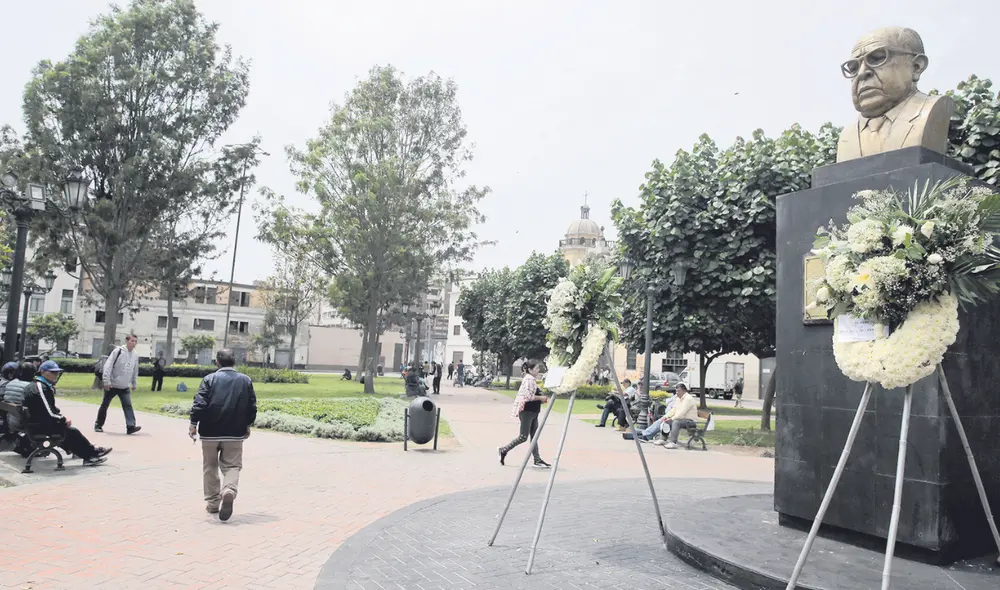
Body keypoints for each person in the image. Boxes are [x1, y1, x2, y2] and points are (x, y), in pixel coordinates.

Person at [836, 27, 953, 163]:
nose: (862, 73)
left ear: (916, 66)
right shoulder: (847, 136)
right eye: (853, 68)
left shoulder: (930, 111)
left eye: (878, 58)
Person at [189, 349, 257, 522]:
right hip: (234, 432)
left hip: (209, 432)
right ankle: (229, 490)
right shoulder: (245, 380)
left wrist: (193, 424)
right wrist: (248, 425)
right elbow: (251, 406)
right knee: (233, 466)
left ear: (217, 363)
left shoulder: (209, 379)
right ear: (234, 362)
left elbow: (199, 403)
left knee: (209, 467)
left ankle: (212, 503)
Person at [22, 360, 112, 466]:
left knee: (69, 431)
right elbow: (48, 412)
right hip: (40, 426)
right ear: (42, 372)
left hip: (36, 423)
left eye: (57, 372)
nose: (56, 375)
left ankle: (85, 450)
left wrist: (60, 417)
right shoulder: (41, 388)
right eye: (52, 372)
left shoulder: (38, 385)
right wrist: (62, 419)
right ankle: (91, 454)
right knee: (72, 431)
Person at [498, 360, 551, 469]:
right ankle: (504, 450)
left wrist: (541, 398)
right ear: (530, 370)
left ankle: (537, 459)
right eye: (536, 369)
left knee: (534, 436)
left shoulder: (532, 379)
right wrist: (541, 398)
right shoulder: (529, 379)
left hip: (533, 411)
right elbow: (528, 396)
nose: (538, 370)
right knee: (523, 437)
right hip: (527, 411)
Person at [96, 334, 141, 434]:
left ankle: (130, 426)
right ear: (126, 341)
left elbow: (135, 369)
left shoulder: (135, 355)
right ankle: (98, 425)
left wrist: (134, 383)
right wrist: (106, 381)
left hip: (124, 386)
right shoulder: (118, 351)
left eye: (135, 341)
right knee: (105, 405)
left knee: (128, 406)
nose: (133, 343)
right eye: (132, 341)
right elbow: (108, 365)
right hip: (112, 385)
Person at [660, 383, 699, 449]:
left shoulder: (688, 399)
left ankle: (673, 442)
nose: (677, 393)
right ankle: (663, 439)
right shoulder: (678, 398)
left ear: (684, 391)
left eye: (679, 391)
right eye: (676, 391)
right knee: (666, 421)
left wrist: (672, 419)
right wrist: (666, 416)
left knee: (676, 422)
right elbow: (674, 410)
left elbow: (682, 413)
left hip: (690, 421)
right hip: (682, 419)